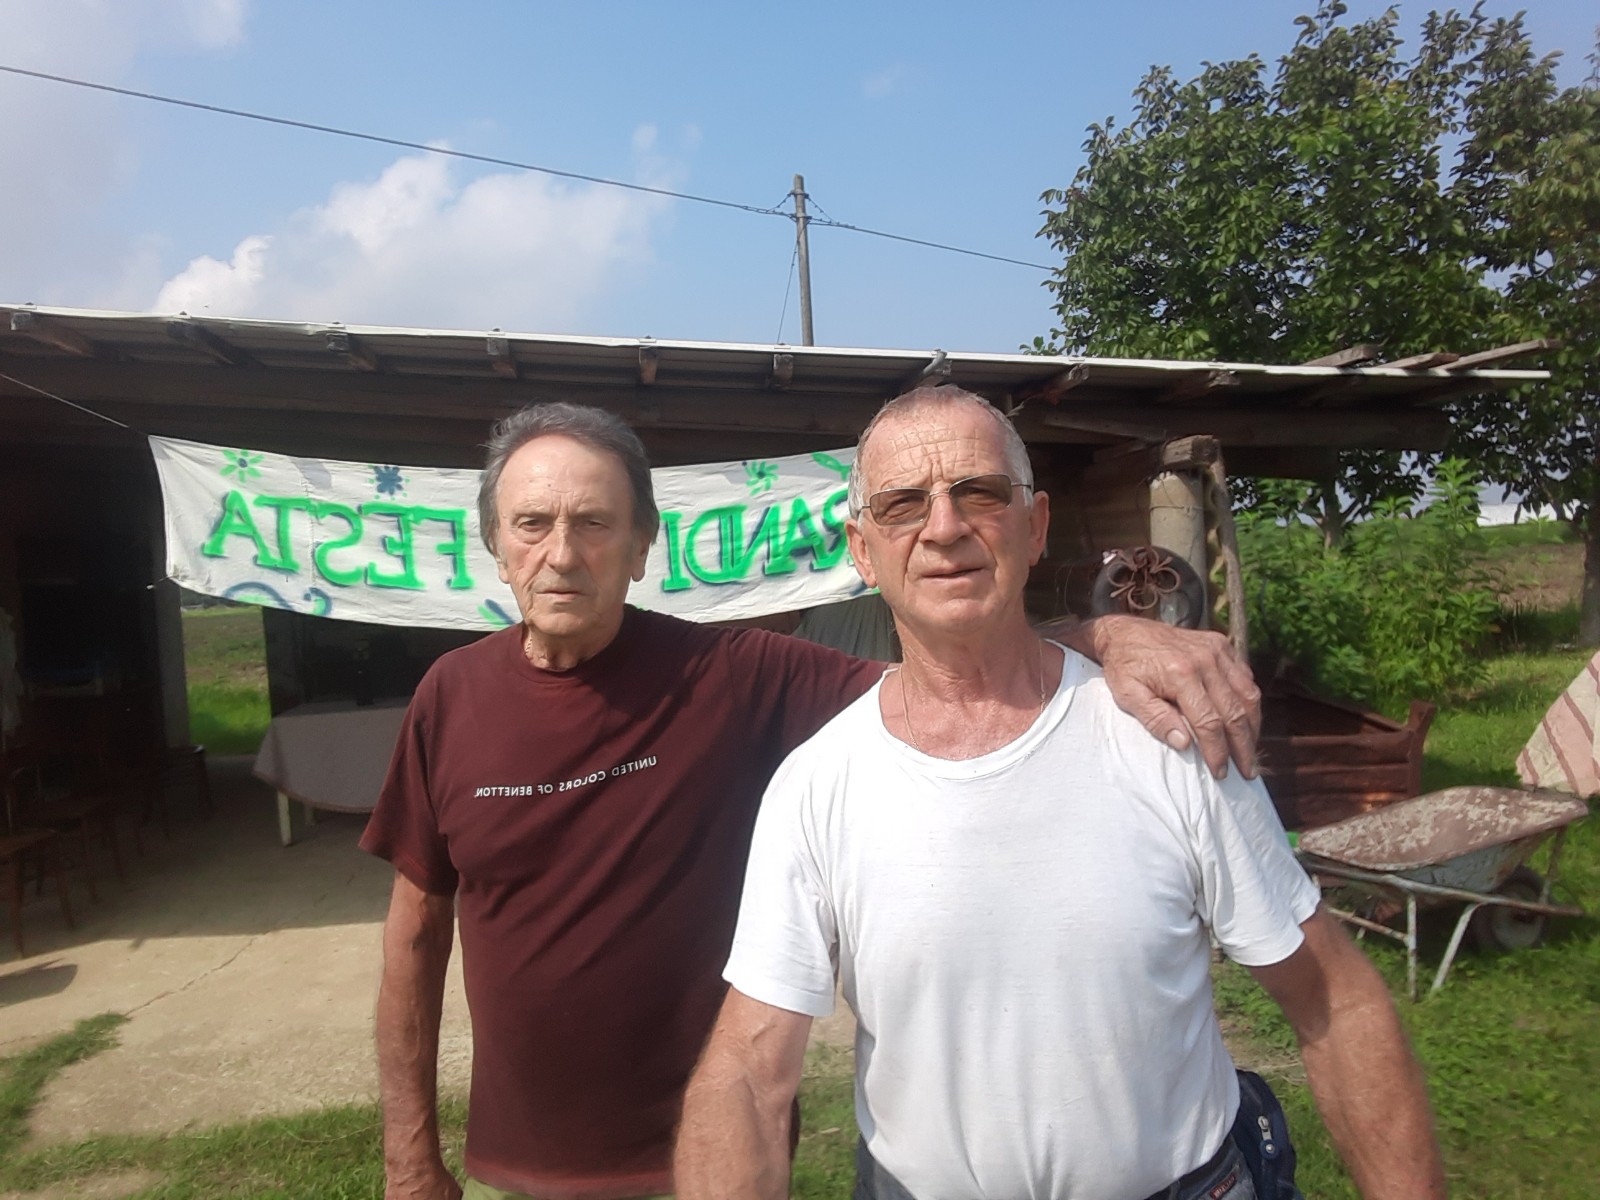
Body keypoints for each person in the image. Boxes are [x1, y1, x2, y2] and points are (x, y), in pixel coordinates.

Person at [361, 400, 1265, 1200]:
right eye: (532, 523)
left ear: (641, 547)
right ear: (495, 543)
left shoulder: (725, 675)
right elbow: (414, 936)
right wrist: (409, 1157)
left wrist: (1108, 634)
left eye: (594, 523)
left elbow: (951, 669)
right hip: (523, 1161)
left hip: (697, 1155)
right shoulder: (449, 697)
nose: (561, 553)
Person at [676, 387, 1446, 1200]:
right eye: (903, 505)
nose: (944, 527)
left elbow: (1333, 999)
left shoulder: (1166, 738)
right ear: (863, 552)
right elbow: (747, 1074)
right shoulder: (815, 785)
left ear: (1035, 525)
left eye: (980, 493)